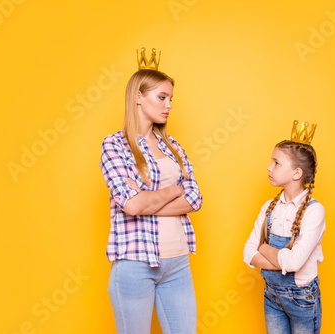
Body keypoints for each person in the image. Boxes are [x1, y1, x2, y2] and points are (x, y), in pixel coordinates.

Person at [100, 50, 202, 334]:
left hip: (178, 263)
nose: (169, 105)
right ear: (138, 97)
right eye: (162, 97)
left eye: (171, 99)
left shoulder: (173, 147)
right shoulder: (114, 146)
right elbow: (131, 207)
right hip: (135, 263)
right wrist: (173, 190)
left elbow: (194, 198)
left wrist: (145, 199)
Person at [243, 128, 325, 334]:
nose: (269, 167)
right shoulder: (269, 207)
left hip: (302, 300)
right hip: (272, 297)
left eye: (277, 163)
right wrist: (282, 260)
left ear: (297, 173)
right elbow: (247, 253)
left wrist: (263, 248)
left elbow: (294, 262)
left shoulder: (314, 211)